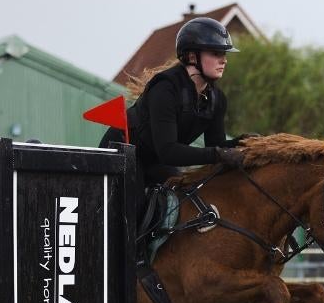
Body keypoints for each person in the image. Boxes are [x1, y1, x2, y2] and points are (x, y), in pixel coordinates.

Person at [101, 17, 249, 189]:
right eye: (216, 53)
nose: (224, 60)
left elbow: (215, 145)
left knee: (183, 198)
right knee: (137, 206)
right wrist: (218, 154)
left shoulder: (217, 99)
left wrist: (243, 143)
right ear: (192, 56)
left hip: (156, 159)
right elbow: (169, 151)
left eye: (224, 54)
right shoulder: (165, 89)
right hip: (123, 154)